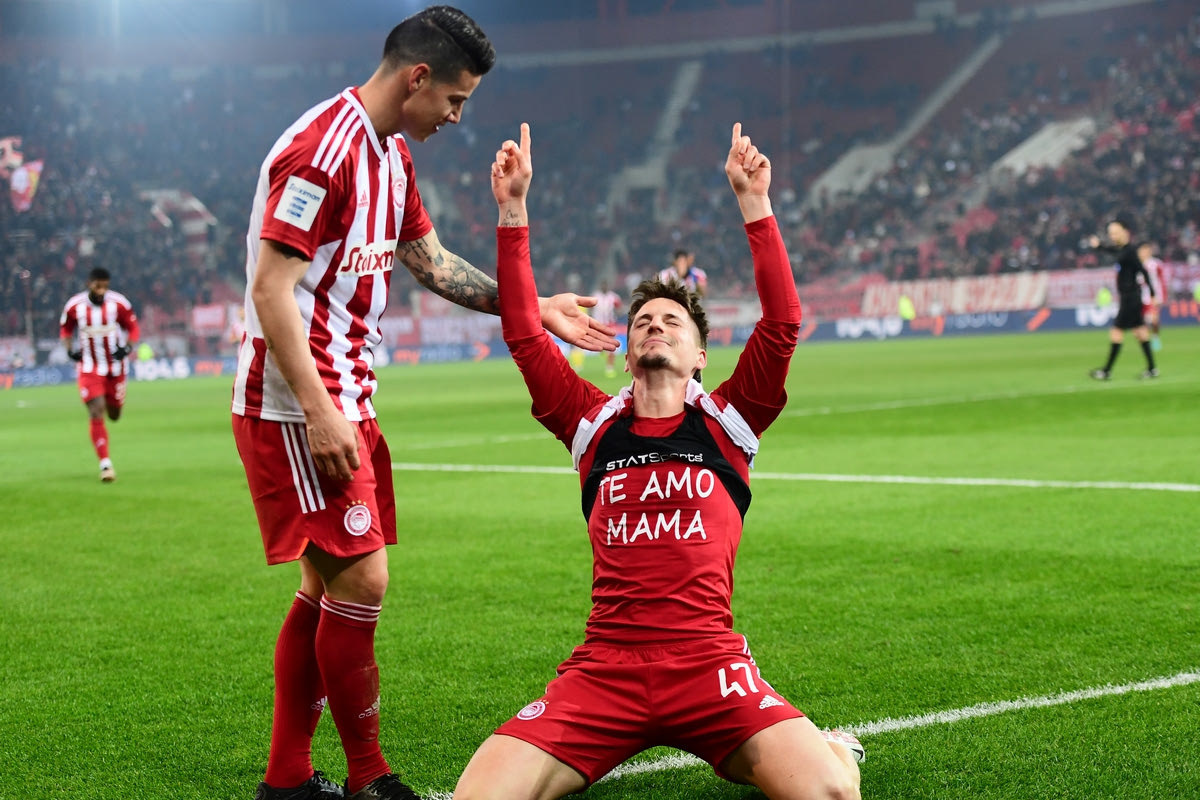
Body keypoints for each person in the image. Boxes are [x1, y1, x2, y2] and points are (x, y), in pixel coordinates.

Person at [230, 8, 616, 800]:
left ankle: (286, 781)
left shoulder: (391, 154)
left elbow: (431, 261)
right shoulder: (320, 153)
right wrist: (319, 410)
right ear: (417, 78)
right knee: (363, 583)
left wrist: (533, 303)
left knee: (327, 588)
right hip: (297, 405)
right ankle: (369, 778)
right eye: (455, 99)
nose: (457, 117)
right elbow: (270, 290)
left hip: (349, 397)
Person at [454, 122, 862, 800]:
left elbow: (783, 323)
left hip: (709, 667)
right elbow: (525, 335)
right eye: (644, 319)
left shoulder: (731, 421)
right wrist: (513, 211)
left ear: (700, 355)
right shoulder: (590, 424)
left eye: (675, 321)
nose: (655, 324)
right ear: (625, 352)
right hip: (603, 673)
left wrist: (755, 203)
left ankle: (832, 749)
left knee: (832, 793)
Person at [59, 266, 139, 482]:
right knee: (96, 410)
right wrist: (69, 349)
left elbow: (133, 328)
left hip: (115, 368)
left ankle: (115, 407)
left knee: (114, 414)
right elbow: (66, 329)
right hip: (89, 367)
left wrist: (127, 348)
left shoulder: (119, 303)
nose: (101, 291)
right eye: (97, 286)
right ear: (89, 284)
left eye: (105, 286)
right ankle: (105, 465)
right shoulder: (75, 306)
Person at [1087, 214, 1158, 380]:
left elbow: (1143, 271)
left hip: (1130, 297)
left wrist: (1153, 294)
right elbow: (1114, 251)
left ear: (1125, 232)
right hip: (1131, 296)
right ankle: (1152, 369)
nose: (1112, 236)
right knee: (1140, 332)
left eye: (1115, 232)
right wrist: (1099, 246)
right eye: (1110, 233)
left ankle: (1106, 371)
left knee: (1116, 332)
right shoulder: (1124, 250)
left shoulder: (1130, 251)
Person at [1137, 241, 1167, 351]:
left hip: (1152, 297)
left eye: (1145, 250)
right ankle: (1145, 342)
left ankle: (1155, 338)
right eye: (1141, 251)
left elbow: (1162, 281)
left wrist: (1162, 297)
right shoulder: (1136, 264)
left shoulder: (1156, 264)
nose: (1143, 253)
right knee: (1142, 322)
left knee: (1154, 320)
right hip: (1139, 297)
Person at [591, 278, 624, 377]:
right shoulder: (595, 296)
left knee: (611, 346)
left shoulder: (613, 297)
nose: (604, 287)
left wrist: (616, 315)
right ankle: (602, 352)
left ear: (608, 287)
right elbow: (590, 307)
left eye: (606, 286)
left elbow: (619, 308)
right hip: (598, 324)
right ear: (600, 287)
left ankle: (610, 367)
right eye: (603, 286)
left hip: (610, 324)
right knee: (599, 345)